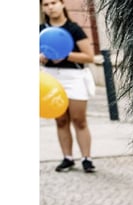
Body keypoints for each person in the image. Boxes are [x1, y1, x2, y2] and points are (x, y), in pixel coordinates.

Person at [40, 0, 96, 173]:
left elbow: (89, 56)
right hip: (50, 77)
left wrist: (64, 54)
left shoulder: (73, 29)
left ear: (62, 4)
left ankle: (86, 159)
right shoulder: (40, 30)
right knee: (61, 120)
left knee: (79, 120)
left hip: (74, 77)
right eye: (46, 4)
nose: (50, 7)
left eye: (54, 2)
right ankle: (67, 158)